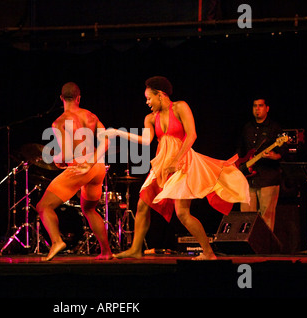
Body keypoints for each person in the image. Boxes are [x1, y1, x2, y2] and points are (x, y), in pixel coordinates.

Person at [103, 76, 250, 260]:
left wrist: (178, 159)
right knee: (142, 203)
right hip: (162, 165)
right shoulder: (150, 118)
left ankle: (208, 252)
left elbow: (191, 135)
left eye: (149, 98)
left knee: (182, 213)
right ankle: (135, 249)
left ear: (161, 94)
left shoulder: (180, 107)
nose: (147, 102)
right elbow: (146, 140)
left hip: (183, 163)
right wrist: (118, 132)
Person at [36, 82, 112, 261]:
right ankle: (106, 251)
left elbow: (67, 154)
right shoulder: (91, 116)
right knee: (90, 210)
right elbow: (107, 141)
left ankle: (57, 241)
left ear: (61, 98)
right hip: (98, 167)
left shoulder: (60, 122)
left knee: (43, 207)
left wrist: (57, 160)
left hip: (80, 168)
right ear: (79, 98)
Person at [237, 98, 285, 231]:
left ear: (267, 108)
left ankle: (265, 248)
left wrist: (274, 156)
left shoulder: (274, 127)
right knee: (246, 216)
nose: (257, 109)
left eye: (260, 106)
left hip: (268, 178)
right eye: (255, 106)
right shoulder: (247, 127)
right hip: (248, 178)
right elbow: (241, 150)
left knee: (266, 217)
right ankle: (248, 247)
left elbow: (283, 151)